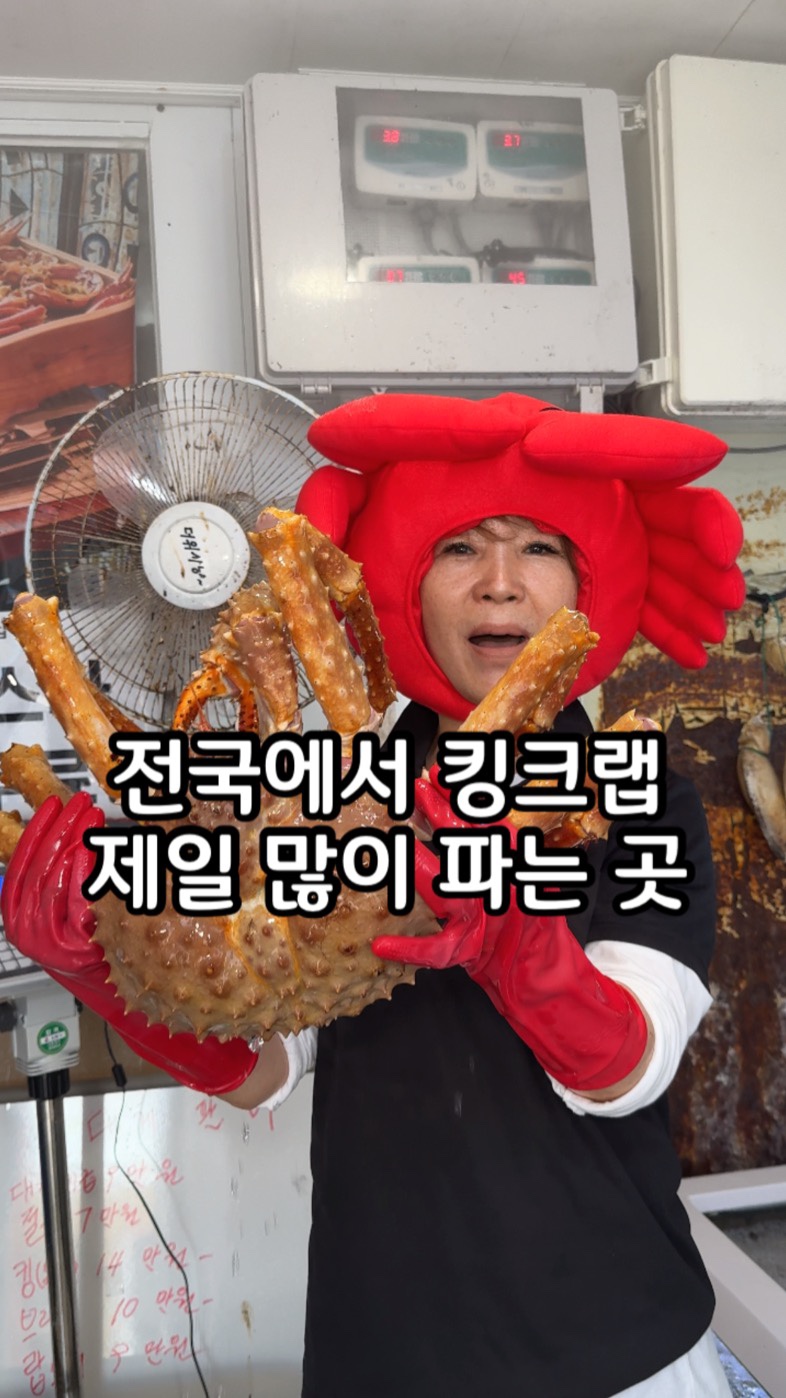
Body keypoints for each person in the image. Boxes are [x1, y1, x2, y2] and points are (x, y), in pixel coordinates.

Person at [2, 392, 746, 1397]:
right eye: (459, 548)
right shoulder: (324, 791)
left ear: (586, 586)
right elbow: (268, 1066)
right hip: (377, 1346)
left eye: (539, 547)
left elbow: (636, 1067)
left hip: (619, 1346)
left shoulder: (638, 795)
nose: (498, 582)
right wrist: (103, 965)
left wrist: (513, 940)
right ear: (402, 580)